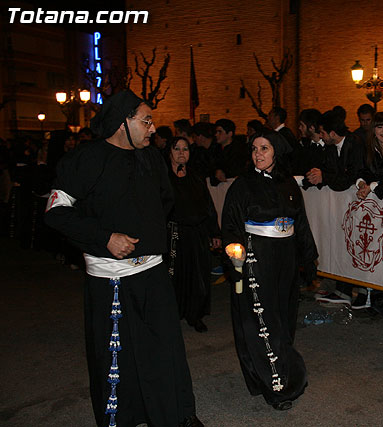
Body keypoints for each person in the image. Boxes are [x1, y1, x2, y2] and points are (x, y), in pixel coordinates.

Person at [44, 90, 203, 427]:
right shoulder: (85, 160)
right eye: (146, 121)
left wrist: (148, 235)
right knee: (116, 356)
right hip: (110, 277)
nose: (152, 127)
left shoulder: (151, 159)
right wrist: (105, 238)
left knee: (164, 348)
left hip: (153, 272)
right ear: (122, 122)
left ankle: (175, 415)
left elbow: (165, 201)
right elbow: (56, 212)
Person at [222, 130, 318, 411]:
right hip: (256, 257)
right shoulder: (242, 186)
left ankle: (265, 372)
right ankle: (277, 387)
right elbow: (230, 227)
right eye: (254, 149)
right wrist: (236, 260)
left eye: (264, 148)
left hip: (285, 258)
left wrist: (308, 258)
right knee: (263, 322)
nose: (258, 154)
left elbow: (300, 223)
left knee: (284, 317)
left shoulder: (288, 183)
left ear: (276, 151)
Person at [166, 137, 222, 333]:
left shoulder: (196, 177)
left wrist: (214, 232)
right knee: (175, 276)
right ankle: (172, 314)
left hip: (196, 234)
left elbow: (208, 206)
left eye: (185, 149)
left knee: (197, 275)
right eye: (177, 149)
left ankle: (195, 314)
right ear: (170, 152)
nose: (181, 153)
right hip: (173, 235)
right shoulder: (162, 178)